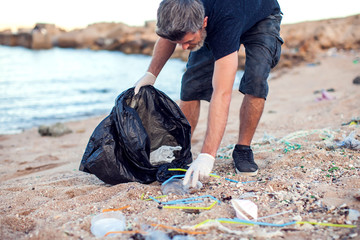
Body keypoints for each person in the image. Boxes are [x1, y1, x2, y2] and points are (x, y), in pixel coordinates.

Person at [134, 0, 283, 187]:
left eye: (187, 41)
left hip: (260, 16)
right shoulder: (177, 7)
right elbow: (168, 36)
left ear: (204, 22)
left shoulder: (226, 18)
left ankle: (243, 149)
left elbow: (222, 93)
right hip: (217, 14)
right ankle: (181, 151)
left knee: (256, 80)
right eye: (180, 43)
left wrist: (207, 155)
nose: (184, 48)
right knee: (191, 85)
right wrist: (151, 74)